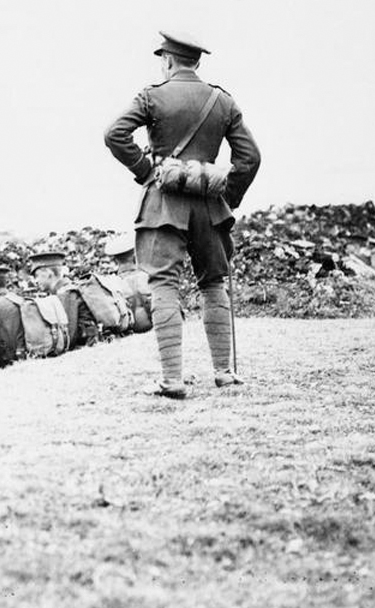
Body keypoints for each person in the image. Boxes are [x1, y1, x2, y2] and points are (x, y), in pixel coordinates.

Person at [104, 30, 260, 398]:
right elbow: (250, 158)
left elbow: (115, 135)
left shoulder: (152, 96)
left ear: (168, 60)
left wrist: (147, 171)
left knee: (164, 286)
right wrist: (226, 193)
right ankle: (224, 373)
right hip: (209, 208)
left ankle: (171, 380)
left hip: (164, 207)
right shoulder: (222, 101)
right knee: (213, 284)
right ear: (196, 62)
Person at [28, 251, 99, 348]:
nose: (36, 281)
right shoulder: (63, 291)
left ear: (49, 273)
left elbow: (68, 335)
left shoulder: (65, 293)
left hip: (86, 346)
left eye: (37, 275)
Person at [103, 233, 153, 333]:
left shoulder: (112, 284)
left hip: (129, 329)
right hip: (154, 323)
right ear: (135, 256)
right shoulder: (147, 276)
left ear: (115, 260)